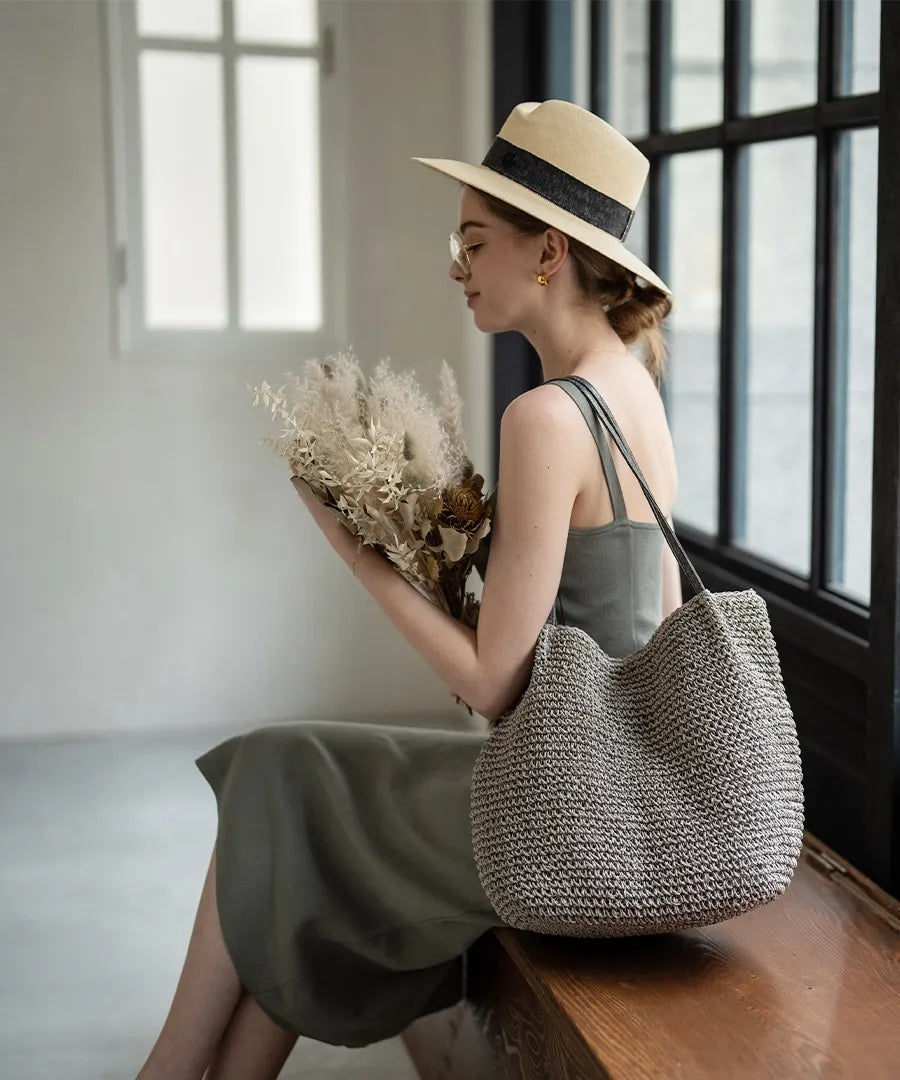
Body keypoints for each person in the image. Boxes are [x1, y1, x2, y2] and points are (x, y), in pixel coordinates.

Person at [135, 99, 683, 1080]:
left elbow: (492, 683)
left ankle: (171, 1065)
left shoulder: (551, 416)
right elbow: (648, 627)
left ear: (549, 252)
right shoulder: (631, 386)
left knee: (281, 774)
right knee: (294, 812)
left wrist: (360, 554)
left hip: (565, 817)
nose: (455, 265)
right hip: (629, 797)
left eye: (474, 240)